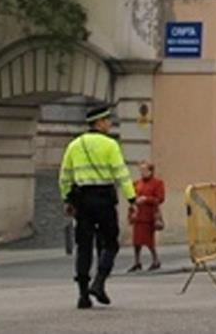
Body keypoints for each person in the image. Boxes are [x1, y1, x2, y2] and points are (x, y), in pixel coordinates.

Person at [59, 103, 136, 310]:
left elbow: (65, 176)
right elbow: (121, 173)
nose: (110, 123)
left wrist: (67, 199)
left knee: (83, 247)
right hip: (104, 199)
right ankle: (99, 282)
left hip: (82, 200)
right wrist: (132, 199)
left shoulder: (74, 145)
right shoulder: (110, 145)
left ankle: (83, 296)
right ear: (100, 122)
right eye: (108, 120)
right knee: (110, 243)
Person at [128, 160, 165, 272]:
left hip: (149, 215)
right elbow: (132, 196)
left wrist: (147, 199)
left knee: (149, 241)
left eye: (144, 170)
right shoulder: (137, 183)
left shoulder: (158, 183)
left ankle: (155, 260)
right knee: (136, 241)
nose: (142, 172)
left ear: (151, 171)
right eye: (141, 170)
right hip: (138, 214)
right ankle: (137, 261)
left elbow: (160, 198)